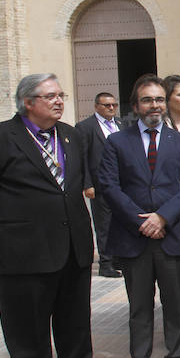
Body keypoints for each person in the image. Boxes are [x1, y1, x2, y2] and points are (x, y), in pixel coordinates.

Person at [0, 73, 98, 358]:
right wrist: (3, 239)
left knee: (74, 320)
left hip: (72, 247)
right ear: (28, 102)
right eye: (50, 96)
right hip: (22, 254)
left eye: (61, 95)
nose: (59, 101)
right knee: (27, 329)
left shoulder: (70, 136)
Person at [98, 74, 180, 358]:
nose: (154, 105)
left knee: (174, 305)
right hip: (134, 238)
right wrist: (140, 220)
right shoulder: (117, 141)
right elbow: (108, 186)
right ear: (136, 106)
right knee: (139, 307)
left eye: (159, 99)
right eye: (147, 100)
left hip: (171, 237)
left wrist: (163, 217)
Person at [77, 91, 124, 278]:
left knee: (121, 221)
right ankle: (106, 263)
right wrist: (87, 184)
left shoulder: (121, 124)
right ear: (97, 106)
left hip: (122, 185)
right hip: (100, 185)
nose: (111, 108)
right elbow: (82, 157)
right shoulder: (85, 127)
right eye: (107, 105)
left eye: (114, 105)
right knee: (104, 224)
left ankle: (118, 257)